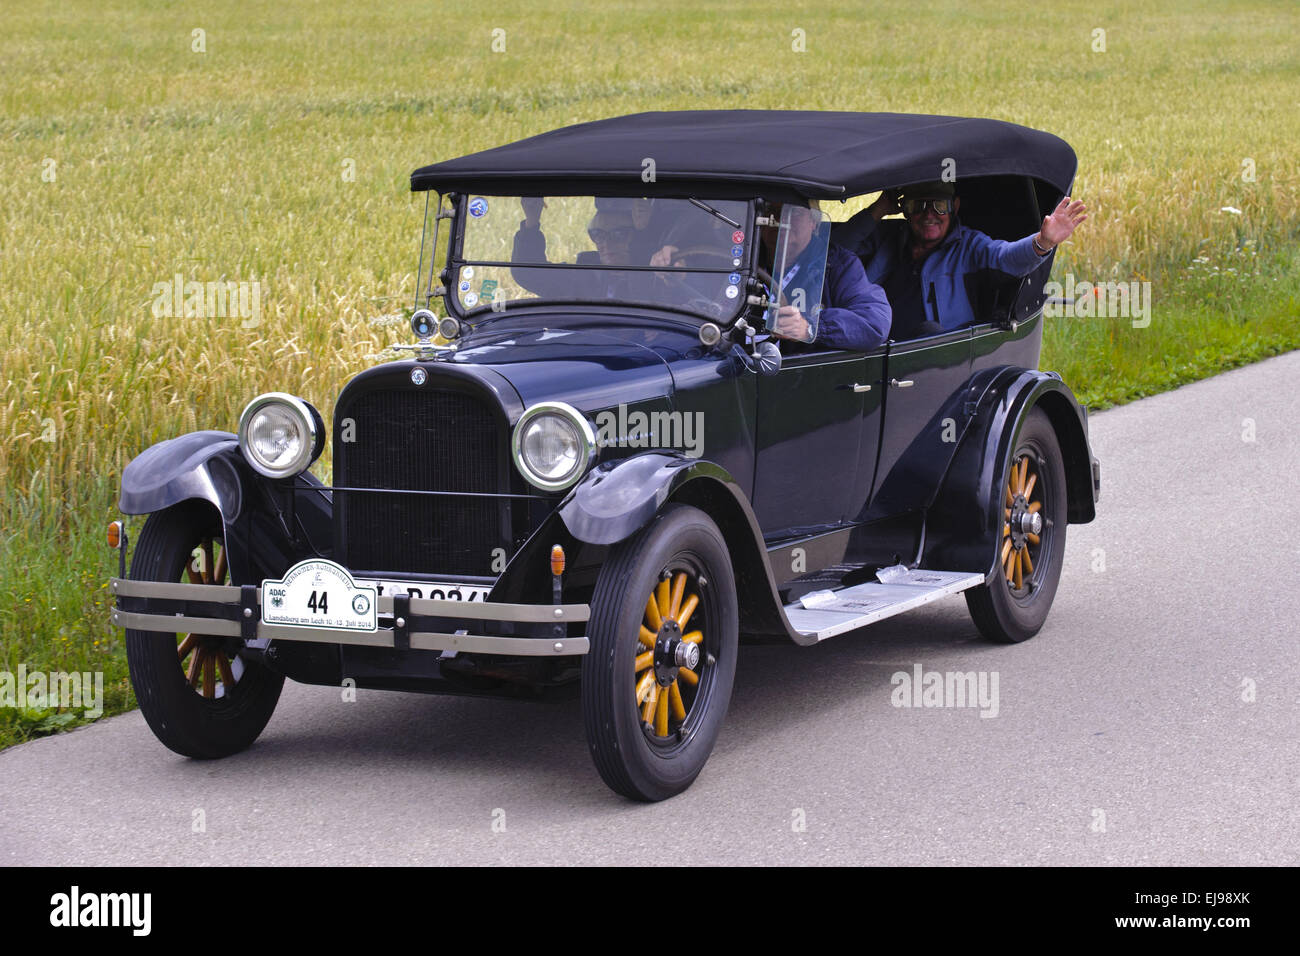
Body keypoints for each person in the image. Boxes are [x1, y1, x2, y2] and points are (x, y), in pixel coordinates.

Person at [831, 182, 1088, 338]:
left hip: (929, 359)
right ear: (905, 210)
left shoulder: (969, 246)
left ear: (954, 206)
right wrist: (878, 210)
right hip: (873, 347)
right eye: (918, 206)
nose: (928, 215)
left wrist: (1043, 242)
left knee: (928, 331)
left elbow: (1007, 257)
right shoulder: (889, 236)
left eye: (939, 206)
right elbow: (833, 254)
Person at [756, 201, 892, 351]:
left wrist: (810, 328)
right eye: (770, 210)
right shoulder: (740, 258)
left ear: (814, 222)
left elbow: (874, 323)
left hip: (802, 369)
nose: (780, 220)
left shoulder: (838, 264)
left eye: (794, 212)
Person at [511, 199, 639, 300]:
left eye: (618, 234)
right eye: (598, 235)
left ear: (635, 237)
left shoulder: (653, 275)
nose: (607, 243)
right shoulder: (582, 276)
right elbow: (527, 274)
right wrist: (531, 224)